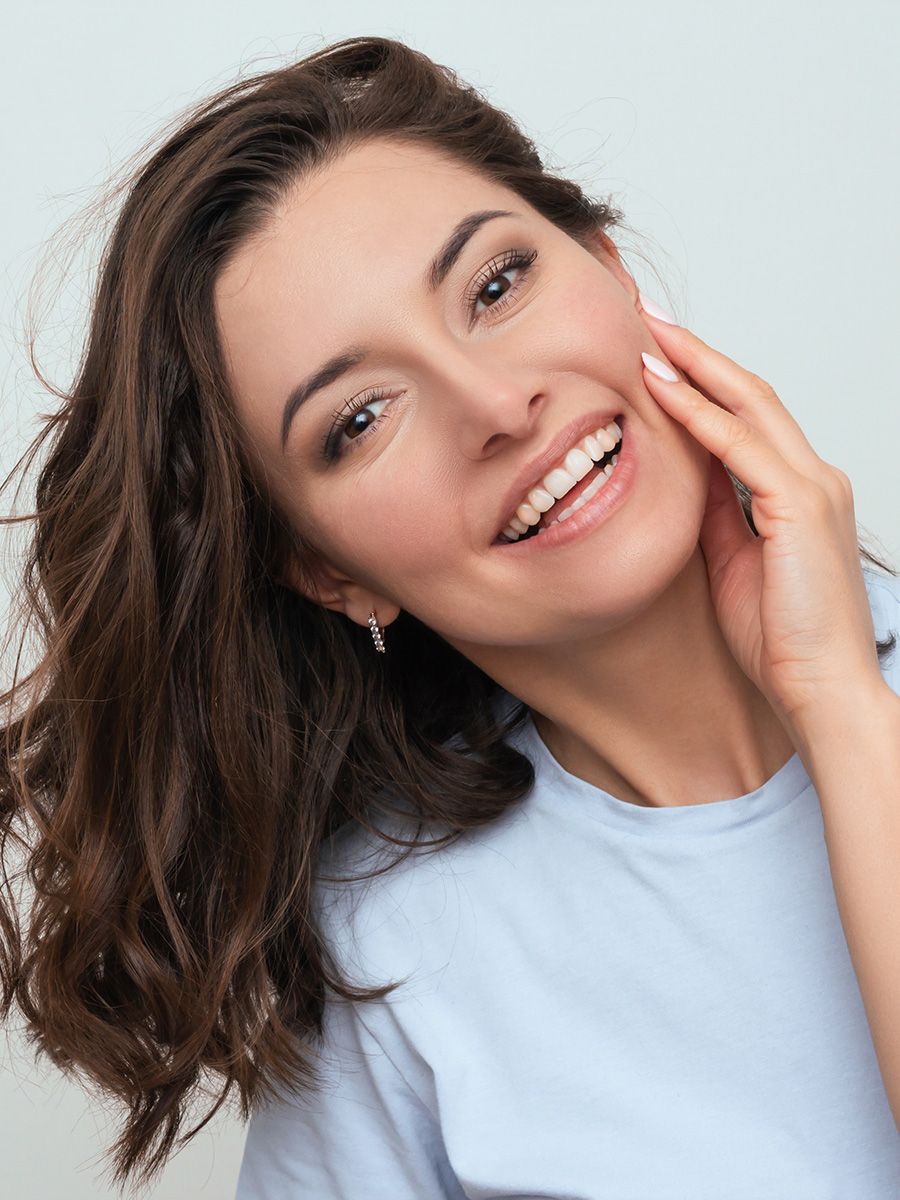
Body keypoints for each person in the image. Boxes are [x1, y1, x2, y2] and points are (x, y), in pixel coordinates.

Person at [2, 33, 900, 1199]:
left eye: (495, 285)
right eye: (362, 417)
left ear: (612, 270)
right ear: (328, 573)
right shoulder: (386, 963)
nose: (496, 404)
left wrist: (841, 705)